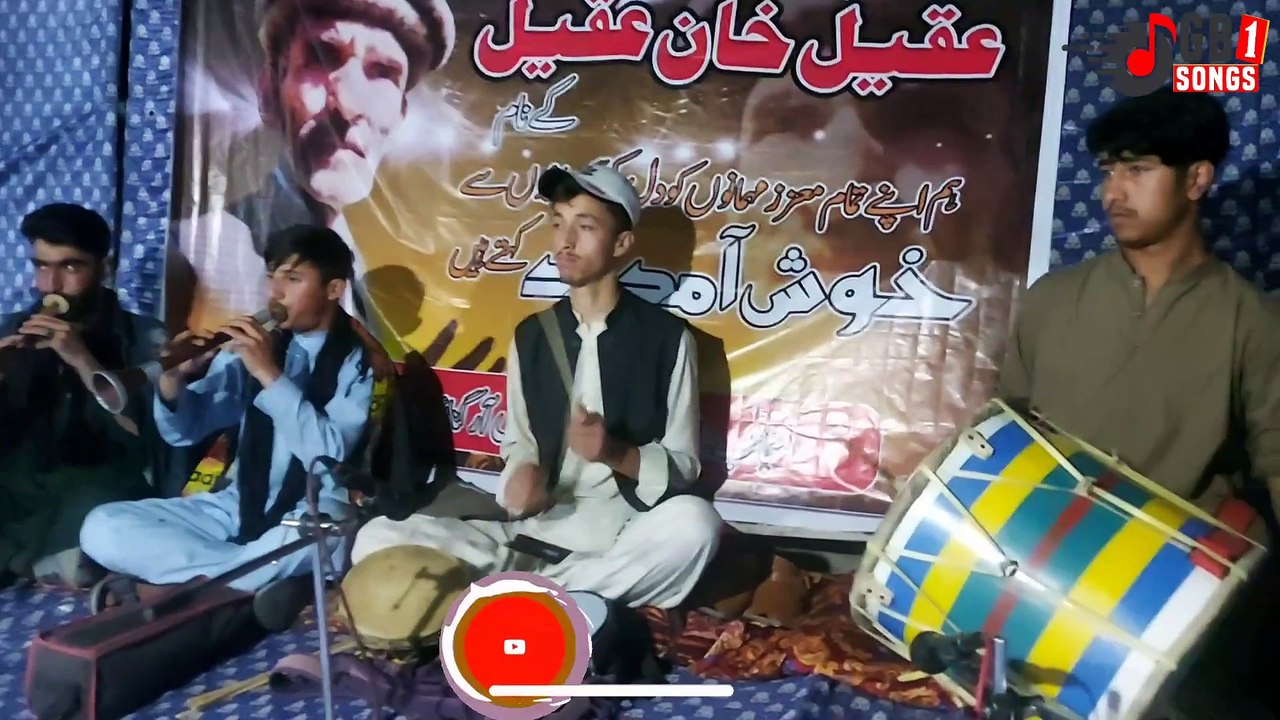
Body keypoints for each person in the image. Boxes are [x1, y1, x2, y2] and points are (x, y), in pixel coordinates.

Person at [998, 88, 1280, 719]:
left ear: (1197, 179)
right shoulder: (1052, 300)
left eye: (1138, 170)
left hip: (1173, 607)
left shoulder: (1253, 320)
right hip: (1040, 583)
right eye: (1108, 171)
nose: (1112, 193)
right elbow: (1001, 432)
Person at [352, 164, 723, 609]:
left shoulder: (666, 339)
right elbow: (520, 443)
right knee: (376, 537)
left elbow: (684, 466)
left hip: (619, 534)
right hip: (529, 535)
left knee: (696, 525)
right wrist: (522, 478)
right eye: (558, 224)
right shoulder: (532, 337)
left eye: (585, 227)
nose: (565, 241)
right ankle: (558, 599)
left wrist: (615, 453)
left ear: (622, 244)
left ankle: (515, 600)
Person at [80, 224, 374, 625]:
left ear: (334, 289)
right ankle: (246, 581)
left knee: (322, 536)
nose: (275, 293)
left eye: (292, 279)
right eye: (270, 277)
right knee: (101, 527)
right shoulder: (253, 347)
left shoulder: (359, 361)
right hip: (239, 503)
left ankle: (172, 588)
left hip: (312, 508)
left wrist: (270, 374)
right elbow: (183, 431)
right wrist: (173, 379)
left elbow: (328, 455)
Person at [172, 0, 456, 322]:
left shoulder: (358, 280)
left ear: (401, 115)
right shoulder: (197, 252)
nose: (348, 105)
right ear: (270, 91)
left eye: (383, 73)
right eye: (323, 58)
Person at [0, 203, 164, 588]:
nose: (51, 285)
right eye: (42, 266)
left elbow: (149, 441)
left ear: (104, 268)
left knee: (103, 519)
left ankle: (45, 561)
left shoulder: (144, 337)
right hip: (21, 482)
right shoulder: (10, 328)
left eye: (70, 267)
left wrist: (82, 360)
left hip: (98, 484)